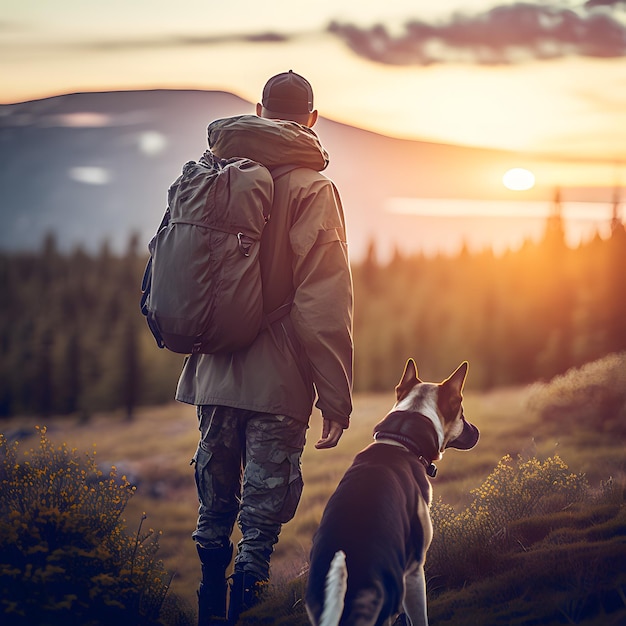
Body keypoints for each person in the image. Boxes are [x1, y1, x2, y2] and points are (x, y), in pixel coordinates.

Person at [175, 70, 354, 625]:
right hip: (278, 379)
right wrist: (335, 397)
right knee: (260, 520)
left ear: (257, 109)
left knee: (214, 505)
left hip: (213, 369)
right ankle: (245, 612)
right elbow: (322, 301)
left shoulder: (216, 172)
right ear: (312, 119)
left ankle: (209, 607)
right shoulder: (313, 188)